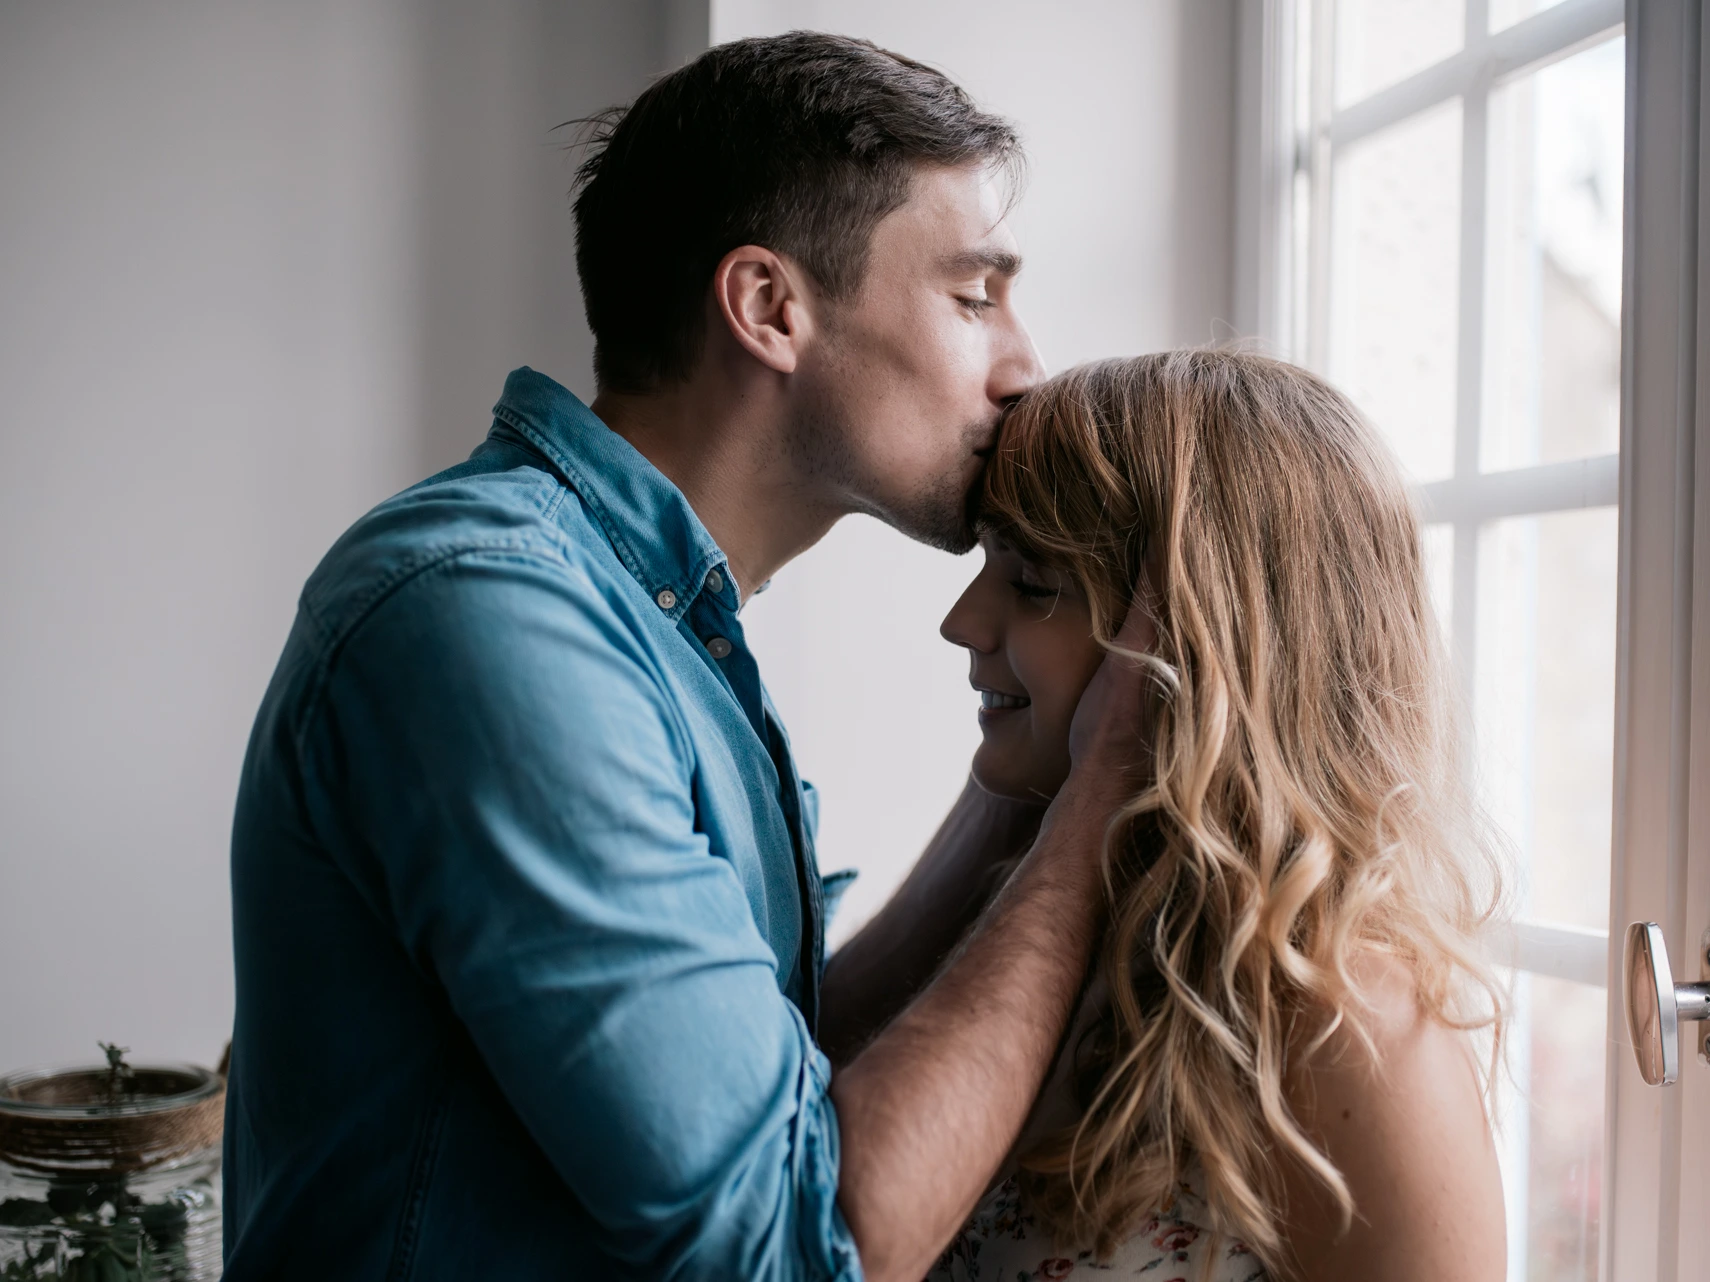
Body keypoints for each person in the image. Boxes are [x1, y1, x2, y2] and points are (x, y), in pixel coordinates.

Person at [223, 33, 1149, 1282]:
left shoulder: (653, 617)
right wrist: (1100, 807)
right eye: (974, 294)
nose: (1024, 361)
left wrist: (1023, 792)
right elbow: (789, 1248)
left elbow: (770, 1071)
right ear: (770, 306)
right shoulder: (494, 616)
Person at [922, 350, 1509, 1282]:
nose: (962, 621)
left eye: (1031, 582)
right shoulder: (1041, 939)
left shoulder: (1347, 1034)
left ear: (1198, 649)